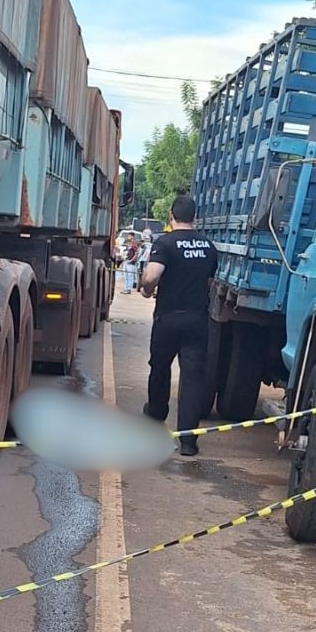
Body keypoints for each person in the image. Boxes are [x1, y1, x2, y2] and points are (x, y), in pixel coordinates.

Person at [140, 195, 217, 457]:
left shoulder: (165, 243)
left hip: (168, 318)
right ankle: (188, 441)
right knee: (193, 378)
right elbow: (209, 279)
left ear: (171, 216)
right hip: (196, 320)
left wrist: (146, 289)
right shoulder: (208, 246)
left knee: (160, 367)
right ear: (195, 217)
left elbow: (152, 275)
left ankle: (156, 412)